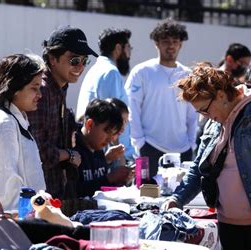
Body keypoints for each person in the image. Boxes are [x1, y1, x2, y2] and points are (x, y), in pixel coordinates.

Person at [163, 64, 251, 250]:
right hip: (228, 226)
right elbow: (199, 169)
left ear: (220, 95)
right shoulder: (213, 123)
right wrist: (177, 199)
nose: (205, 117)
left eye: (205, 110)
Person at [27, 26, 98, 199]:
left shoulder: (60, 87)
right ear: (53, 58)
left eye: (85, 60)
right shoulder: (41, 91)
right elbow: (38, 151)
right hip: (36, 195)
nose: (80, 67)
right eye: (74, 60)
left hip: (53, 192)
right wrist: (70, 155)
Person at [125, 18, 197, 178]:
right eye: (165, 41)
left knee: (180, 201)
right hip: (148, 148)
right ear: (156, 43)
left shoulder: (187, 75)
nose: (170, 45)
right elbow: (132, 108)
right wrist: (139, 142)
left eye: (175, 41)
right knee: (143, 198)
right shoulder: (141, 72)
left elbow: (193, 114)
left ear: (181, 44)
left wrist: (191, 144)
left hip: (182, 151)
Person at [0, 54, 47, 211]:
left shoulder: (15, 119)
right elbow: (6, 194)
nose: (39, 95)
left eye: (40, 88)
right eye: (34, 88)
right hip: (8, 221)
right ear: (14, 89)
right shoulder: (4, 125)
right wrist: (28, 218)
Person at [76, 28, 134, 162]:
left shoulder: (97, 69)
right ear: (118, 48)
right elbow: (112, 119)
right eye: (128, 48)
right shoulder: (110, 72)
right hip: (108, 157)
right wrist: (120, 161)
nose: (129, 54)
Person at [73, 99, 132, 198]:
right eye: (107, 132)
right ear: (90, 124)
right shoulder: (72, 147)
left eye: (113, 134)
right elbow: (74, 191)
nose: (110, 139)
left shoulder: (98, 147)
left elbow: (103, 190)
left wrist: (120, 180)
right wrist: (109, 179)